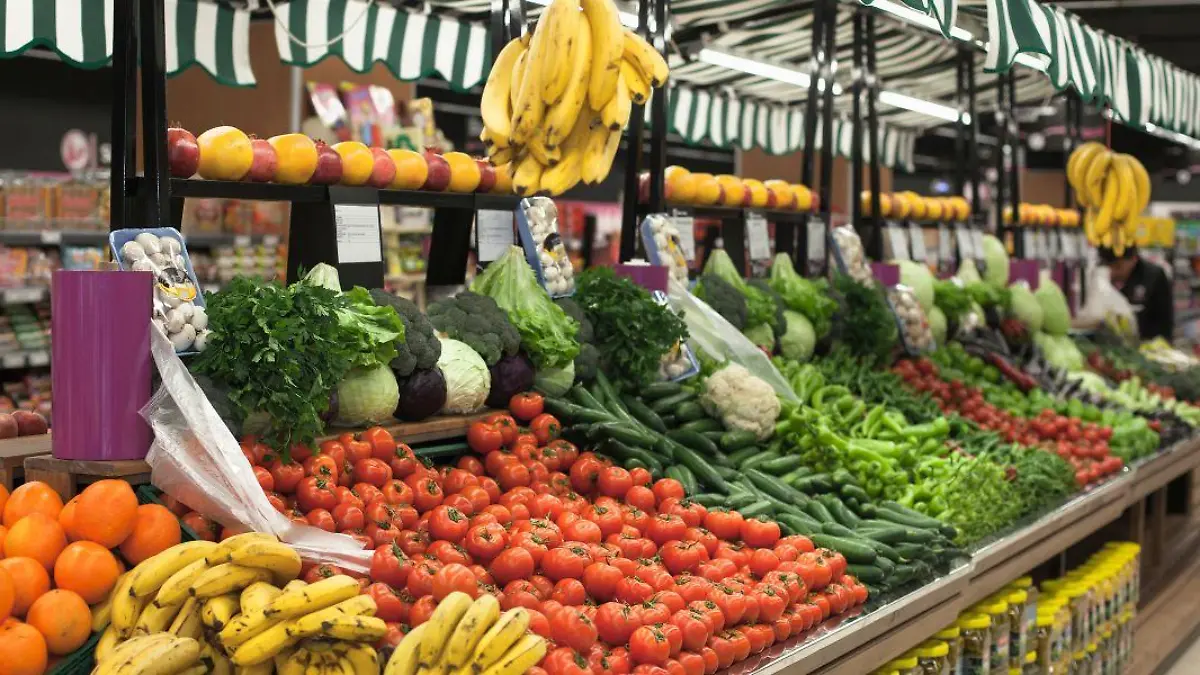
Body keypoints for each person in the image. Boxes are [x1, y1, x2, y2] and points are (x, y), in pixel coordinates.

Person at [1099, 246, 1174, 341]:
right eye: (1110, 267)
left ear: (1134, 259)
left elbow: (1165, 321)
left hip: (1149, 343)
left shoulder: (1153, 276)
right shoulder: (1104, 278)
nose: (1113, 273)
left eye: (1118, 267)